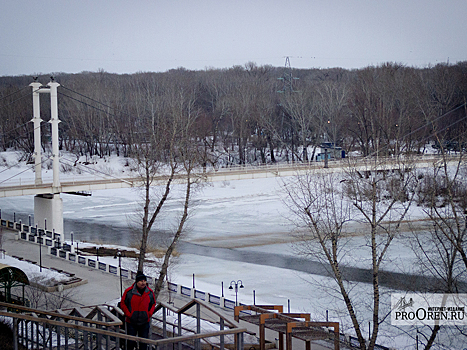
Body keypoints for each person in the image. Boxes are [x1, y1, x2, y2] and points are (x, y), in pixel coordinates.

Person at [120, 271, 156, 350]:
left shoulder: (149, 292)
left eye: (144, 281)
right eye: (141, 281)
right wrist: (129, 314)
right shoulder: (129, 292)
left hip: (144, 322)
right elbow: (123, 303)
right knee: (130, 343)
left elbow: (153, 304)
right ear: (136, 282)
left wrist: (149, 314)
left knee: (143, 344)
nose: (143, 283)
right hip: (131, 322)